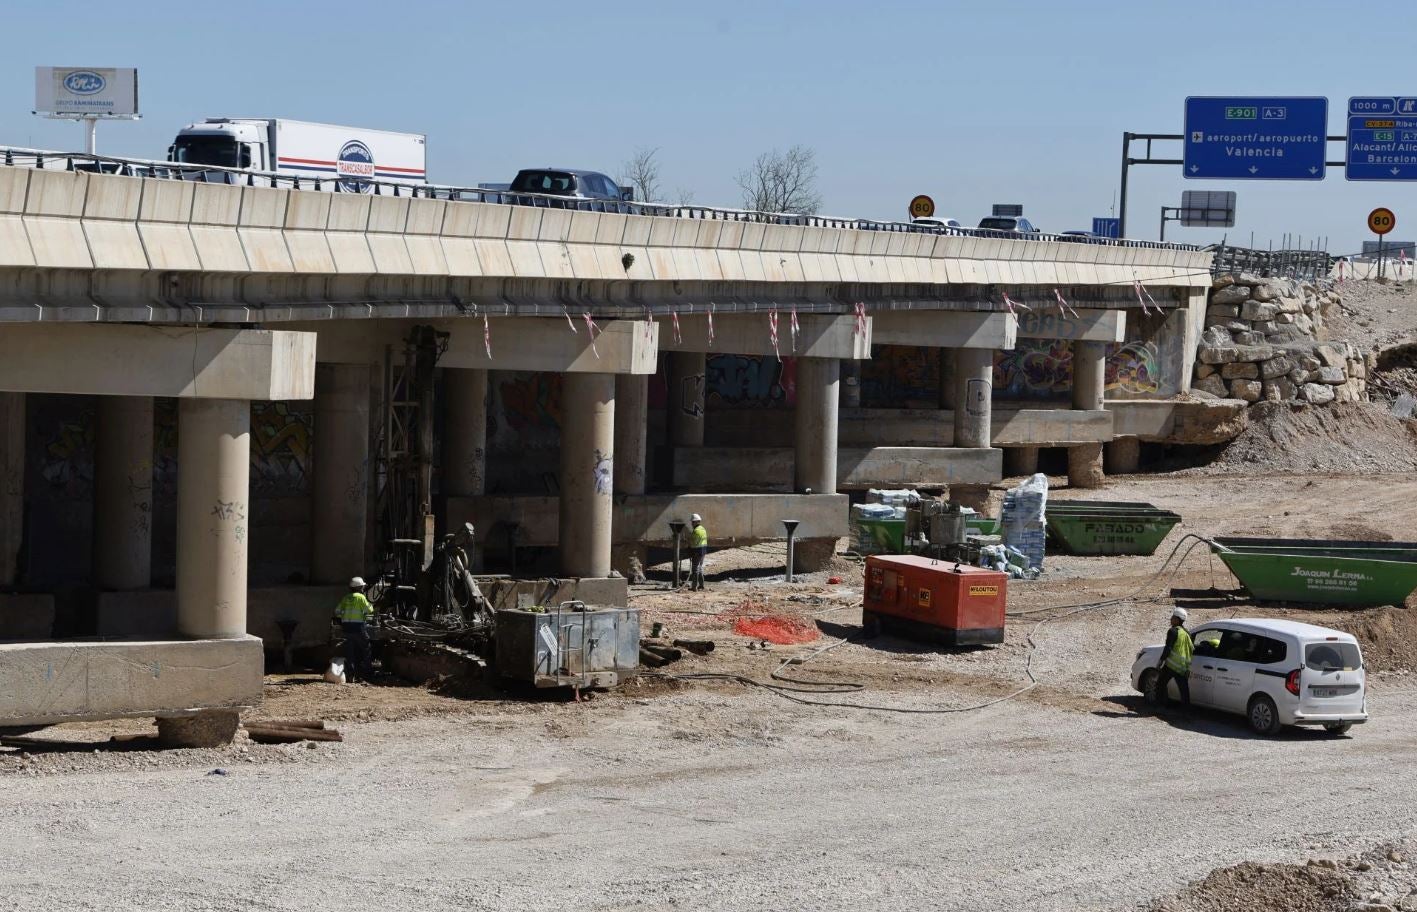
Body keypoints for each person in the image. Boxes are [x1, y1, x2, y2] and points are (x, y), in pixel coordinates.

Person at [335, 576, 375, 683]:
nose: (363, 588)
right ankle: (366, 674)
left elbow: (337, 611)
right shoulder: (360, 597)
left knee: (350, 652)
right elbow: (369, 610)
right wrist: (370, 607)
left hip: (347, 628)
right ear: (359, 588)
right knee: (365, 649)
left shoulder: (345, 598)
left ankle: (350, 676)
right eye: (362, 587)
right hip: (358, 628)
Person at [1153, 606, 1193, 710]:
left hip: (1171, 666)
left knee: (1160, 685)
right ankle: (1186, 713)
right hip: (1182, 667)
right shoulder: (1187, 633)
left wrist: (1161, 661)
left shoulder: (1173, 631)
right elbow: (1190, 649)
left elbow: (1168, 648)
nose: (1171, 619)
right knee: (1184, 691)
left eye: (1173, 617)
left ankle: (1159, 708)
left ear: (1177, 619)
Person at [688, 514, 709, 591]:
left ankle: (694, 587)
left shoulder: (696, 531)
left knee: (695, 569)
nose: (692, 524)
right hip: (703, 551)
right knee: (699, 568)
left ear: (696, 522)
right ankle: (701, 585)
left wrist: (689, 548)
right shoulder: (703, 529)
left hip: (697, 551)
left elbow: (693, 544)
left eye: (693, 522)